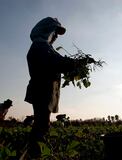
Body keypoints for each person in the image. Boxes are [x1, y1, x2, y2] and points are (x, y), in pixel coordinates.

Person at [24, 17, 94, 158]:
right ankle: (35, 153)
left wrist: (74, 66)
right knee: (41, 126)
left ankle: (36, 151)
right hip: (42, 91)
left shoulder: (45, 47)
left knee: (42, 124)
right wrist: (80, 62)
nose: (56, 36)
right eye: (54, 32)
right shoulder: (40, 47)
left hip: (43, 91)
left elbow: (58, 63)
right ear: (46, 30)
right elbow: (58, 63)